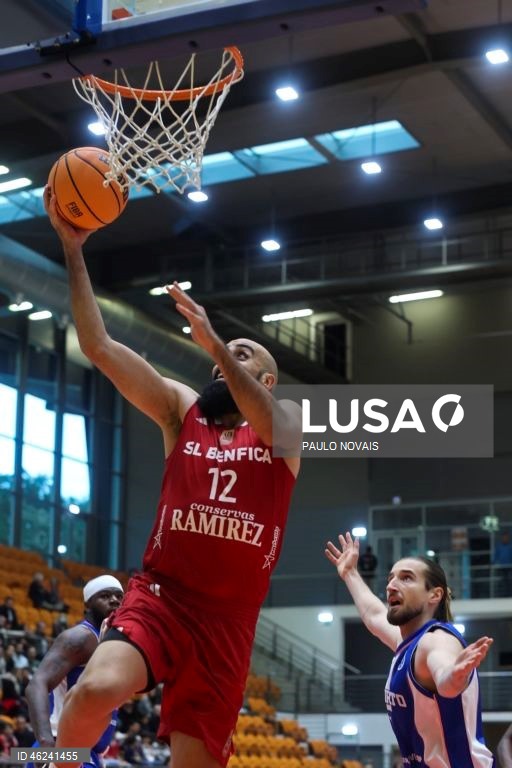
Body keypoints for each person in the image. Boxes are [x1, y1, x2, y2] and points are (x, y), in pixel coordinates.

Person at [44, 188, 301, 768]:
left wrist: (216, 340)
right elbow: (99, 347)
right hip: (163, 597)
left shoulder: (284, 431)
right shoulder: (182, 411)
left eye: (238, 356)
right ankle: (48, 764)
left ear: (267, 379)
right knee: (95, 690)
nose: (219, 363)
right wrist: (74, 249)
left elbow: (262, 409)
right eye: (218, 358)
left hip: (228, 623)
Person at [325, 532, 495, 767]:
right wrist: (350, 573)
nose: (392, 585)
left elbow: (444, 678)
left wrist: (454, 675)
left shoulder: (436, 640)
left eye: (406, 578)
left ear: (434, 595)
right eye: (390, 578)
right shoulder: (407, 643)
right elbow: (373, 614)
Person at [25, 574, 124, 768]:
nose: (114, 600)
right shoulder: (80, 637)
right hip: (62, 748)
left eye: (119, 596)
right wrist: (45, 744)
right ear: (87, 604)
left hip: (87, 753)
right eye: (105, 596)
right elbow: (36, 684)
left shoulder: (111, 641)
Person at [493, 530, 512, 596]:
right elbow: (496, 556)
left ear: (508, 538)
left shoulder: (510, 546)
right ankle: (503, 594)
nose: (505, 538)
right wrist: (492, 562)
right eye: (504, 537)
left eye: (506, 537)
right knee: (503, 581)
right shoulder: (499, 546)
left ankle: (509, 594)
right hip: (502, 567)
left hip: (510, 566)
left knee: (509, 581)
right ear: (502, 538)